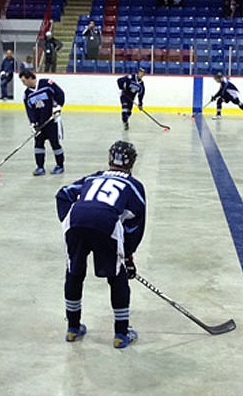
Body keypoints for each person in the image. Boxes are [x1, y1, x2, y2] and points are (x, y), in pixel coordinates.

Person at [55, 140, 146, 348]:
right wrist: (128, 255)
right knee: (117, 277)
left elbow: (64, 194)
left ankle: (73, 328)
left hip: (75, 220)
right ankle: (121, 334)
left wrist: (70, 219)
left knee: (74, 272)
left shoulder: (94, 176)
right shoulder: (134, 185)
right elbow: (135, 224)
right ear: (131, 163)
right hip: (106, 223)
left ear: (109, 159)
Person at [19, 70, 65, 175]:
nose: (24, 84)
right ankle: (40, 167)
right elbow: (29, 110)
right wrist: (33, 123)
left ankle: (60, 165)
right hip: (40, 124)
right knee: (38, 144)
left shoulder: (46, 84)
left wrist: (58, 106)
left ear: (30, 78)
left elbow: (60, 93)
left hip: (52, 121)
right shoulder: (27, 94)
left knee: (55, 143)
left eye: (24, 81)